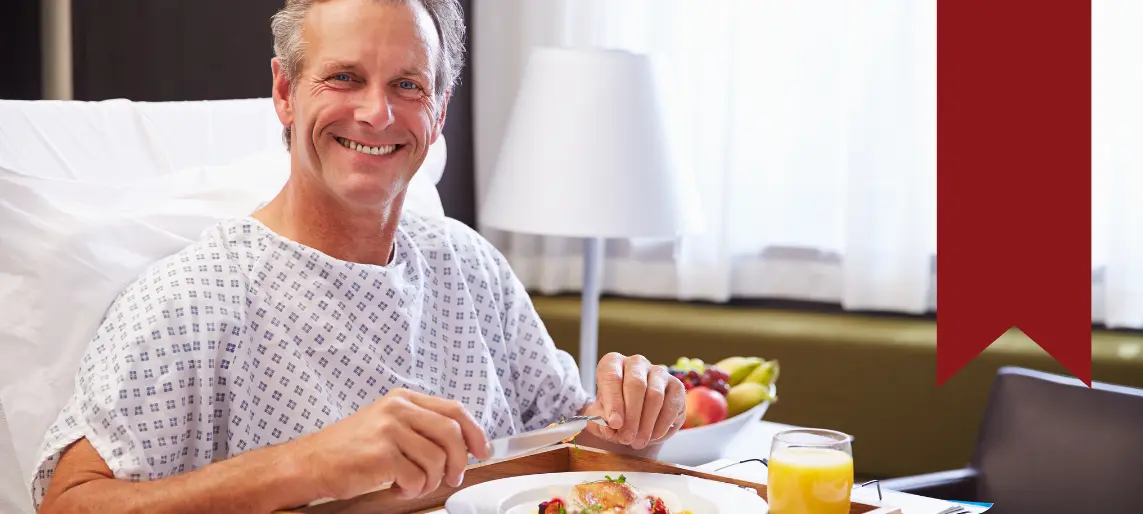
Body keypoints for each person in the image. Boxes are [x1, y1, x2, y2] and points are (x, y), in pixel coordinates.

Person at [31, 0, 687, 512]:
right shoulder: (191, 300)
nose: (377, 113)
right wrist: (308, 466)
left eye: (407, 85)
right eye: (344, 77)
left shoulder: (469, 265)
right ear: (285, 93)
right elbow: (71, 504)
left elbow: (572, 456)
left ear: (438, 113)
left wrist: (633, 423)